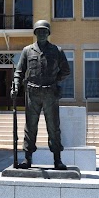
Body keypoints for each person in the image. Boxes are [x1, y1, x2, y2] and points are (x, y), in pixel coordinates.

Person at [11, 20, 70, 169]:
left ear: (48, 33)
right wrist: (16, 85)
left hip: (50, 94)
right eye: (39, 31)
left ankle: (57, 159)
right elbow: (19, 71)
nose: (42, 33)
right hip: (32, 93)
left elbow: (66, 70)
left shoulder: (57, 51)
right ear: (35, 33)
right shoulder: (27, 51)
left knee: (53, 127)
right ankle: (27, 158)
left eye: (45, 31)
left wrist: (55, 81)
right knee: (30, 127)